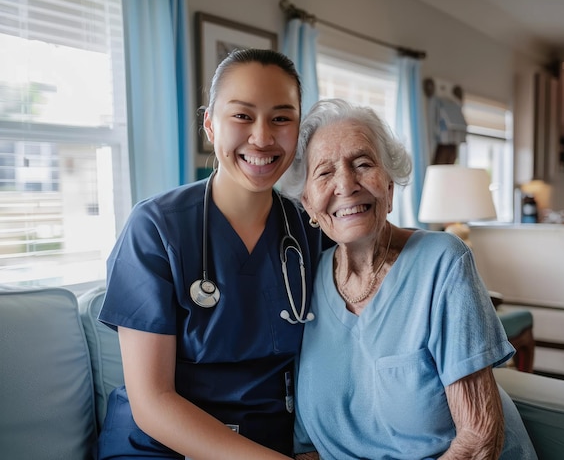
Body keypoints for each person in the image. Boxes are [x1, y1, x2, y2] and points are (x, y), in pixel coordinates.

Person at [96, 49, 325, 459]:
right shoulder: (156, 228)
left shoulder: (310, 229)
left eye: (281, 117)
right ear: (209, 125)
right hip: (160, 445)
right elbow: (152, 402)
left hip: (268, 442)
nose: (262, 137)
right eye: (242, 115)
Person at [280, 98, 537, 459]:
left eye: (363, 163)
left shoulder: (442, 262)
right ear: (308, 203)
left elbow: (479, 438)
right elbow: (309, 449)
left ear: (389, 185)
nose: (346, 184)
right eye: (325, 172)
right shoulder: (307, 284)